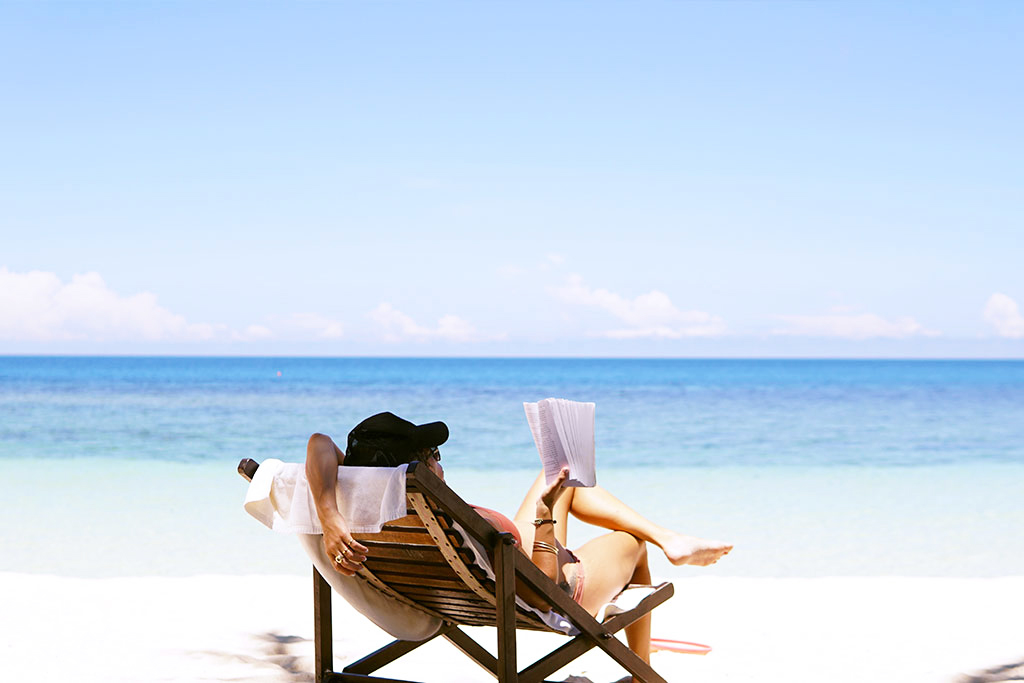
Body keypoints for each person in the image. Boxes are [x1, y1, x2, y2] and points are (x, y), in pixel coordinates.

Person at [305, 412, 732, 672]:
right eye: (433, 453)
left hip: (470, 576)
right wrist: (544, 516)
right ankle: (643, 666)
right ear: (419, 468)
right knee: (633, 544)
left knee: (559, 475)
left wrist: (329, 517)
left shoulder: (355, 499)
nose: (438, 461)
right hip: (550, 586)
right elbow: (544, 593)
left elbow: (319, 442)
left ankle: (670, 539)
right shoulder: (454, 515)